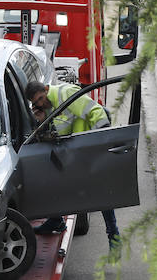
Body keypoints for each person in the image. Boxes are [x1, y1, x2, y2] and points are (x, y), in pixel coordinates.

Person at [24, 80, 121, 249]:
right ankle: (55, 221)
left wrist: (103, 140)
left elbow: (96, 111)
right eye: (36, 102)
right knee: (53, 180)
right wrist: (41, 121)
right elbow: (54, 133)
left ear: (46, 89)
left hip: (89, 148)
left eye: (41, 98)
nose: (40, 103)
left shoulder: (66, 94)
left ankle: (114, 236)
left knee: (102, 194)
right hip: (71, 152)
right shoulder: (45, 109)